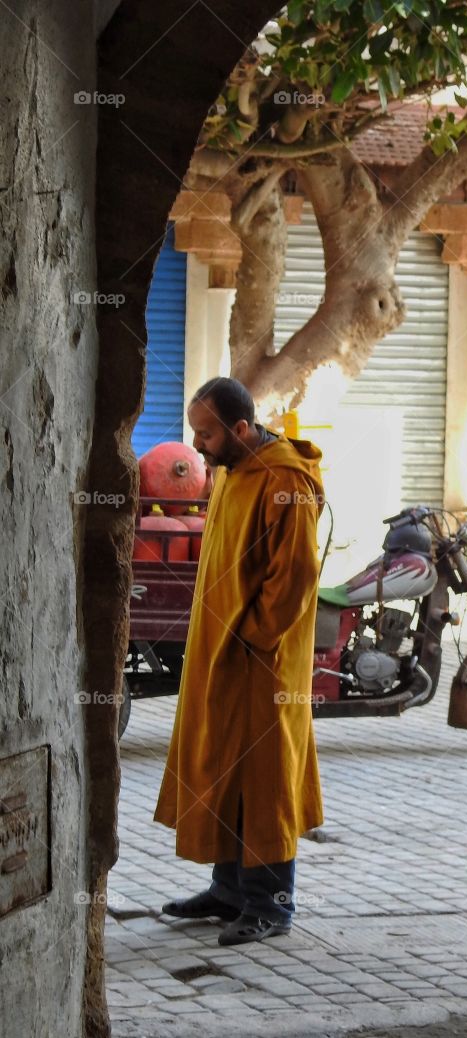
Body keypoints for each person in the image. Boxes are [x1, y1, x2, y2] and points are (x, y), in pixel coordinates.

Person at [155, 377, 324, 945]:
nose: (197, 445)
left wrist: (251, 636)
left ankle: (271, 904)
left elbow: (295, 578)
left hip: (262, 659)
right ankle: (228, 891)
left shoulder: (284, 480)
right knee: (224, 764)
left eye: (205, 434)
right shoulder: (232, 470)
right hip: (222, 651)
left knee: (265, 776)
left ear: (241, 429)